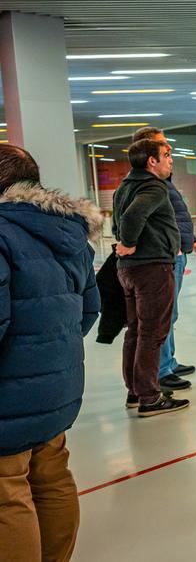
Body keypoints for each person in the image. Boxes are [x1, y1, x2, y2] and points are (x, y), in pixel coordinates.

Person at [0, 145, 100, 561]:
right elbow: (89, 309)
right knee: (51, 478)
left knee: (7, 493)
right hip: (56, 386)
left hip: (8, 392)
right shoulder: (68, 233)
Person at [112, 138, 189, 417]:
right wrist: (130, 241)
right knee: (152, 332)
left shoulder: (125, 187)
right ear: (151, 161)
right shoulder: (153, 187)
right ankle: (149, 396)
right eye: (166, 155)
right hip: (152, 268)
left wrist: (126, 244)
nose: (171, 160)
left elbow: (117, 220)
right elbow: (132, 219)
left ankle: (136, 389)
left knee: (135, 330)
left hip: (129, 269)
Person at [131, 127, 196, 393]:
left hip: (176, 252)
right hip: (165, 257)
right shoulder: (150, 186)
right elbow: (132, 220)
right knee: (162, 316)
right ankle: (162, 370)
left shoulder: (162, 182)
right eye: (164, 147)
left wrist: (191, 242)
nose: (170, 153)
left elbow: (175, 216)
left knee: (170, 314)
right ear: (150, 154)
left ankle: (169, 362)